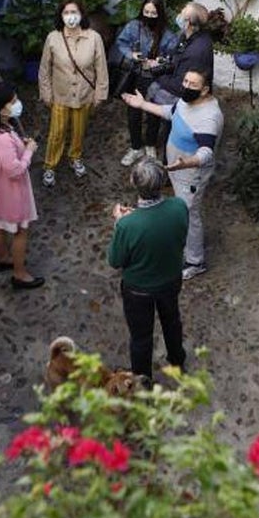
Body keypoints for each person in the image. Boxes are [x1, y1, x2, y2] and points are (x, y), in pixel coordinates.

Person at [121, 68, 223, 280]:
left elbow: (206, 152)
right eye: (185, 81)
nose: (185, 86)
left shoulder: (209, 117)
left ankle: (195, 261)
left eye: (192, 84)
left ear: (204, 90)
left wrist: (187, 162)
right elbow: (172, 112)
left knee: (189, 214)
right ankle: (184, 244)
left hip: (190, 174)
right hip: (177, 169)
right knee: (182, 208)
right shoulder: (186, 101)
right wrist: (142, 105)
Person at [107, 159, 189, 381]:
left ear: (135, 184)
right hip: (170, 280)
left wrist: (119, 223)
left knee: (141, 337)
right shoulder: (179, 206)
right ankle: (177, 361)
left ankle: (143, 382)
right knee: (172, 322)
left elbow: (115, 260)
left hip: (139, 290)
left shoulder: (127, 225)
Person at [0, 82, 44, 290]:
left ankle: (3, 257)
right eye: (13, 101)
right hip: (10, 192)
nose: (17, 104)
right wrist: (29, 151)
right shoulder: (0, 137)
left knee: (0, 224)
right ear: (1, 107)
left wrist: (20, 145)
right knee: (20, 231)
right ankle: (19, 274)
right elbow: (15, 170)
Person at [38, 0, 109, 187]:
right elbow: (44, 69)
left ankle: (75, 157)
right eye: (66, 13)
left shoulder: (94, 37)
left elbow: (101, 68)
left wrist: (100, 93)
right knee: (57, 132)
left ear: (82, 15)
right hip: (60, 94)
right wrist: (46, 93)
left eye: (74, 12)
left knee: (79, 130)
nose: (70, 17)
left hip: (84, 94)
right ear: (60, 16)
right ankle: (49, 165)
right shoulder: (53, 37)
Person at [110, 0, 178, 167]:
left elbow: (172, 58)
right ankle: (135, 147)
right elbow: (121, 42)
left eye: (153, 13)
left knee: (154, 113)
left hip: (156, 79)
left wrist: (159, 62)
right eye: (146, 11)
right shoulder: (134, 26)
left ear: (160, 14)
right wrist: (131, 54)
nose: (149, 16)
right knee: (133, 113)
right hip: (135, 75)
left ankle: (150, 144)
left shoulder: (168, 34)